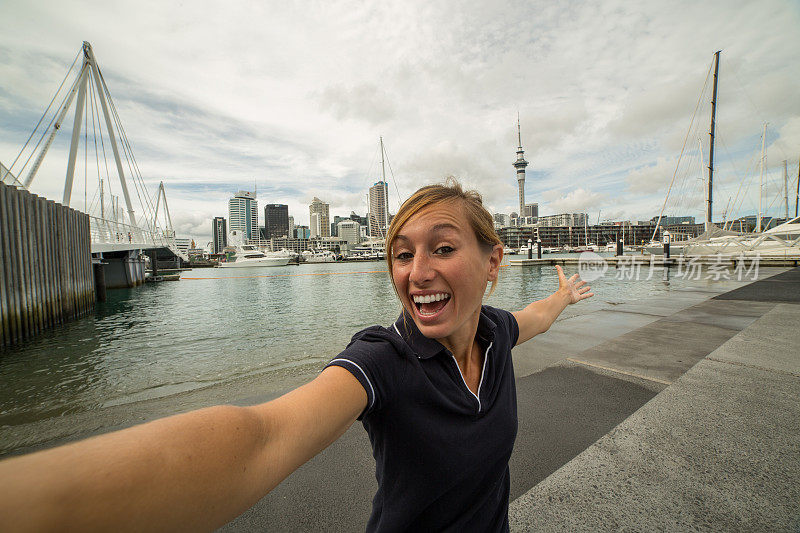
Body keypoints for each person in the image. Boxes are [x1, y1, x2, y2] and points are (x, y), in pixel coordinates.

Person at [0, 180, 592, 532]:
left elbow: (532, 321)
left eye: (442, 247)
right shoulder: (384, 359)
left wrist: (563, 296)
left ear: (492, 264)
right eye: (402, 254)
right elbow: (262, 434)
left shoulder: (492, 331)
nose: (417, 273)